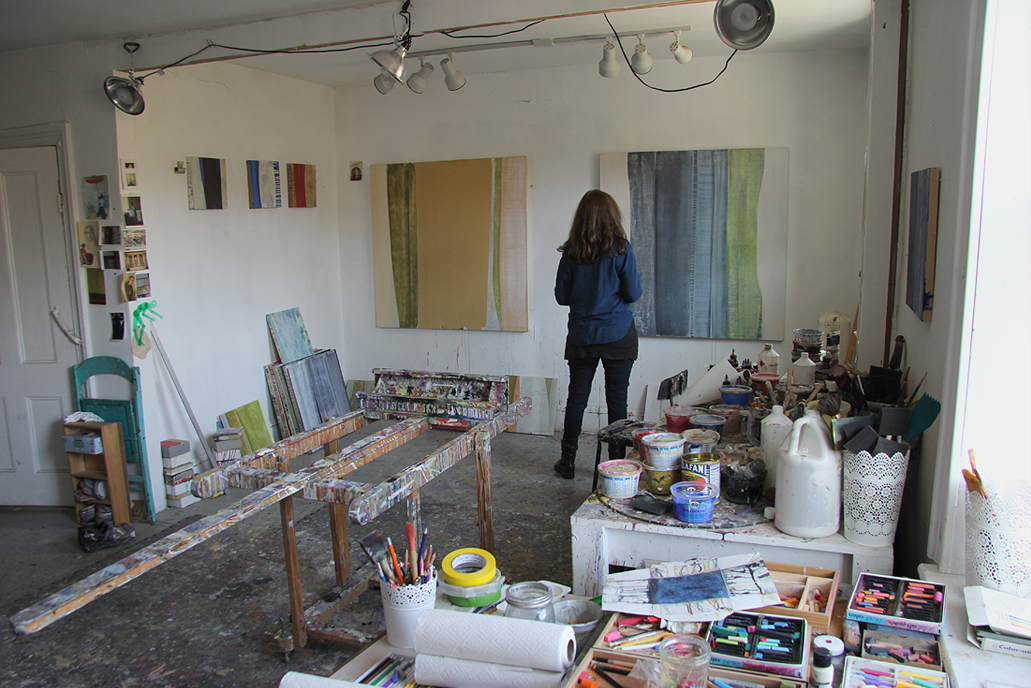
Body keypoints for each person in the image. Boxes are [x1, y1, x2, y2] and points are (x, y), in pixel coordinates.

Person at [553, 190, 642, 479]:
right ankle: (615, 466)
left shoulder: (572, 252)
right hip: (617, 334)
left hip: (582, 335)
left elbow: (562, 297)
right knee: (617, 401)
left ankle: (567, 462)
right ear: (612, 215)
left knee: (576, 398)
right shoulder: (621, 250)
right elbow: (634, 293)